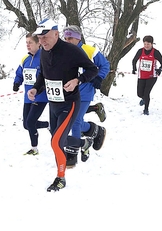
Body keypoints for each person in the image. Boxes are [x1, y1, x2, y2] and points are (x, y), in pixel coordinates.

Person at [27, 18, 99, 191]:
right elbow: (43, 76)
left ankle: (61, 178)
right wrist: (36, 89)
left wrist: (77, 80)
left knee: (56, 142)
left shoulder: (71, 51)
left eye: (45, 36)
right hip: (54, 104)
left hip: (70, 103)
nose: (42, 41)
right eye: (40, 37)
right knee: (58, 138)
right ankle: (84, 144)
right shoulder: (44, 52)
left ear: (56, 34)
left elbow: (93, 69)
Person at [62, 25, 109, 167]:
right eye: (65, 38)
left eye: (70, 38)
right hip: (69, 92)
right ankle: (94, 130)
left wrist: (98, 78)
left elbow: (105, 65)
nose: (67, 40)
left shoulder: (90, 51)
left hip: (85, 91)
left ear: (78, 38)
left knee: (75, 121)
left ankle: (72, 153)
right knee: (69, 120)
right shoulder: (64, 52)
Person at [13, 33, 49, 155]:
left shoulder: (44, 57)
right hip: (28, 97)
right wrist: (17, 83)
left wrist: (41, 87)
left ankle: (34, 148)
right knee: (26, 124)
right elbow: (20, 73)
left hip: (41, 96)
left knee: (30, 122)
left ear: (38, 43)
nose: (28, 45)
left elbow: (47, 75)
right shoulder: (25, 59)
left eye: (30, 43)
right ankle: (48, 125)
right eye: (26, 43)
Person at [132, 35, 162, 115]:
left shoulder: (155, 52)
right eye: (145, 44)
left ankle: (146, 109)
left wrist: (160, 69)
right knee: (139, 93)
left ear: (152, 44)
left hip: (152, 76)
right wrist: (134, 68)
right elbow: (134, 60)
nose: (146, 46)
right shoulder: (140, 51)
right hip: (142, 75)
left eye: (148, 44)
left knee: (147, 93)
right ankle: (143, 98)